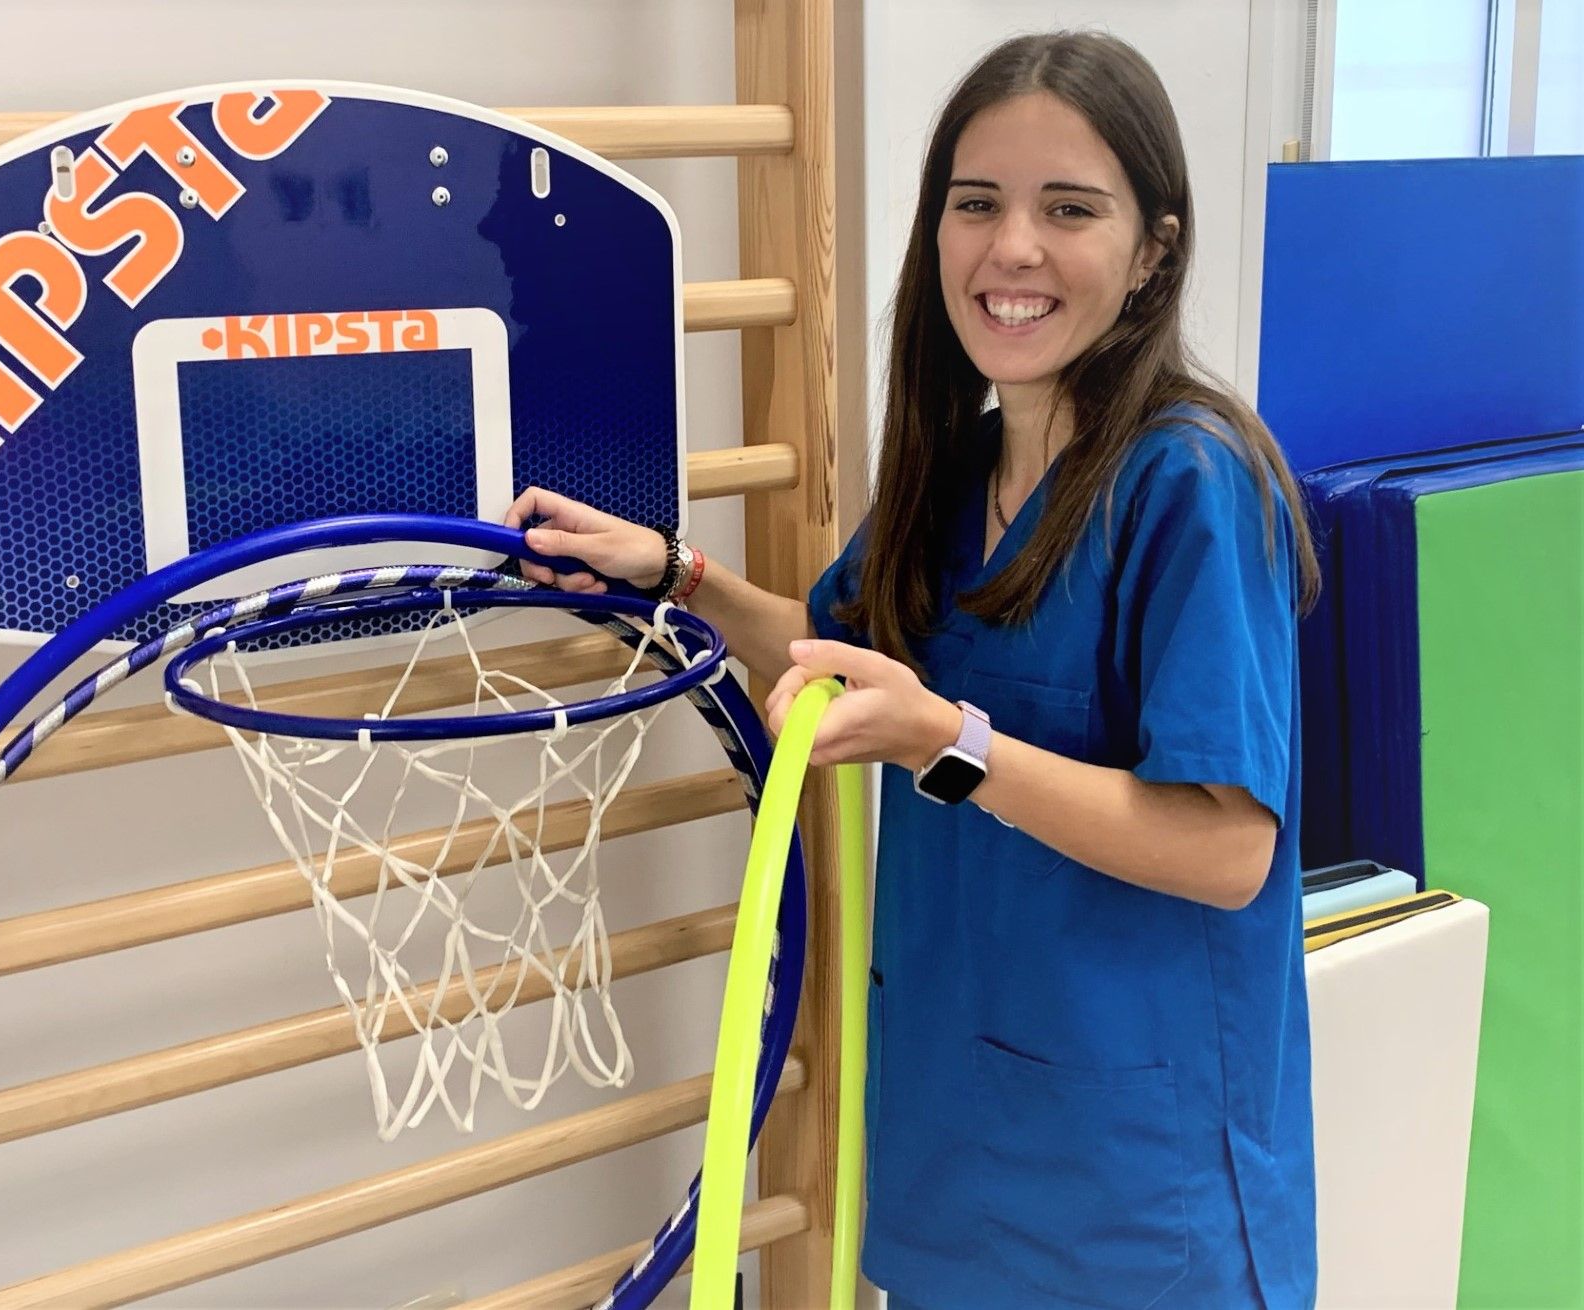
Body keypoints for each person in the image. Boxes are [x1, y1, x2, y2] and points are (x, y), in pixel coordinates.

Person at [507, 30, 1319, 1310]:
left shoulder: (1191, 481)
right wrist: (673, 572)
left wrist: (950, 743)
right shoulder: (957, 469)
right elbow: (846, 654)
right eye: (975, 203)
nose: (1012, 248)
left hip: (1136, 1187)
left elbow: (1226, 848)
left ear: (1153, 251)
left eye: (1069, 209)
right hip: (962, 1146)